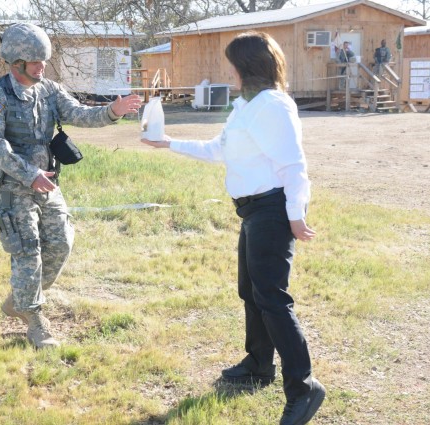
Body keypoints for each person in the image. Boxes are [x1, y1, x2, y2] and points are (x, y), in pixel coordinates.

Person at [141, 32, 325, 425]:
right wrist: (169, 143)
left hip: (272, 211)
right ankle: (259, 365)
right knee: (251, 291)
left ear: (247, 66)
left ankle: (304, 388)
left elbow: (294, 167)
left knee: (272, 298)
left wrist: (295, 216)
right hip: (252, 211)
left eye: (233, 64)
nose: (229, 70)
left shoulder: (273, 106)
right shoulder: (245, 106)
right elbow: (217, 150)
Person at [0, 23, 141, 349]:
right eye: (36, 62)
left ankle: (20, 299)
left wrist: (112, 111)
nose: (42, 67)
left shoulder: (48, 90)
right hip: (11, 189)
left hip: (46, 184)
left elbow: (78, 113)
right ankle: (35, 321)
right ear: (16, 63)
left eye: (44, 61)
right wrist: (28, 174)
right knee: (28, 254)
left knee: (62, 243)